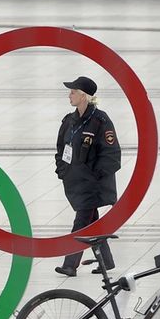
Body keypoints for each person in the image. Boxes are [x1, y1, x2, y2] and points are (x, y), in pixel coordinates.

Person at [54, 76, 122, 277]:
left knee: (81, 223)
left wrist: (94, 176)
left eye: (73, 92)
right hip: (75, 183)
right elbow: (60, 148)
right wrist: (62, 170)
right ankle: (106, 262)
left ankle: (70, 264)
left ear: (84, 96)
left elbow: (112, 155)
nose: (69, 95)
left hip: (93, 186)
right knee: (93, 223)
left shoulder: (101, 121)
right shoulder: (69, 121)